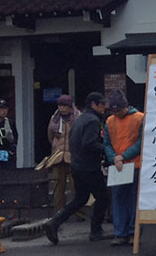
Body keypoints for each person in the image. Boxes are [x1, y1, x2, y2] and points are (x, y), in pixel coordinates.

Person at [45, 92, 110, 244]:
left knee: (80, 198)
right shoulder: (93, 120)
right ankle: (96, 230)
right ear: (94, 104)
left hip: (76, 164)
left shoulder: (80, 119)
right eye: (101, 104)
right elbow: (89, 143)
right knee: (102, 197)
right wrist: (106, 149)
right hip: (89, 166)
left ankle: (54, 222)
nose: (104, 108)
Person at [103, 89, 144, 247]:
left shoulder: (139, 118)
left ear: (125, 106)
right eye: (113, 110)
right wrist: (115, 157)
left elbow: (141, 142)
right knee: (122, 200)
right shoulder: (110, 121)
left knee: (128, 200)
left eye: (118, 109)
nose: (116, 113)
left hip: (132, 164)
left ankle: (132, 232)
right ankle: (122, 233)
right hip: (122, 164)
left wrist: (119, 157)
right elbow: (106, 143)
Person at [47, 94, 85, 221]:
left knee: (77, 187)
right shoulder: (55, 118)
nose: (61, 108)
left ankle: (80, 213)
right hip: (58, 157)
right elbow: (50, 136)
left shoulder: (78, 117)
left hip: (74, 157)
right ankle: (59, 214)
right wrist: (56, 147)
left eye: (64, 106)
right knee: (58, 188)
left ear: (70, 107)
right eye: (59, 105)